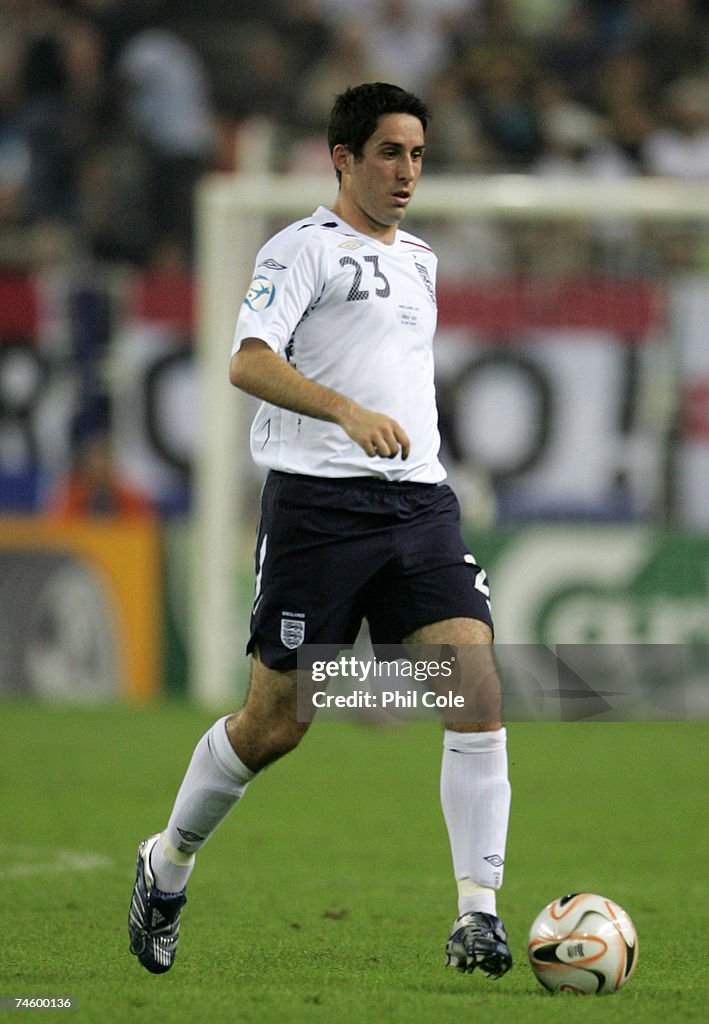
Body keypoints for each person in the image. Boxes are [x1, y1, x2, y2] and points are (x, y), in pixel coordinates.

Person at [128, 82, 512, 980]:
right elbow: (247, 359)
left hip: (417, 504)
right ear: (342, 159)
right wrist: (344, 411)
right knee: (276, 724)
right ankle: (168, 862)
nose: (407, 170)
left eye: (417, 153)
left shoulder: (420, 258)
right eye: (389, 152)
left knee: (475, 687)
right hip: (318, 511)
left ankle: (477, 915)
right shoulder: (298, 249)